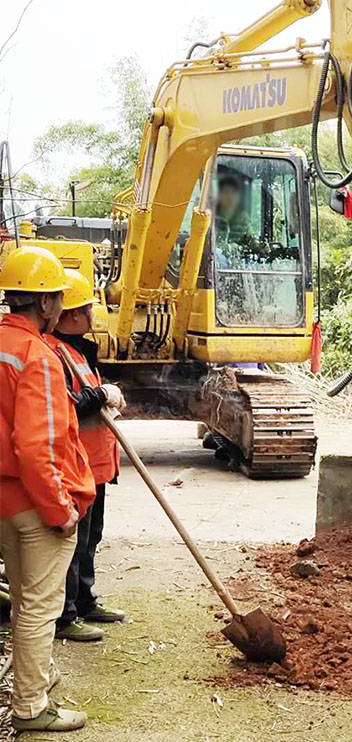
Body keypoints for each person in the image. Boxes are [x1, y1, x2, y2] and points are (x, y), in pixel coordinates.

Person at [0, 246, 96, 732]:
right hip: (37, 502)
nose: (61, 304)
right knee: (40, 608)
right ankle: (31, 706)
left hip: (4, 500)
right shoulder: (37, 355)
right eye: (58, 295)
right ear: (44, 304)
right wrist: (60, 509)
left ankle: (33, 678)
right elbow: (39, 445)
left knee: (23, 600)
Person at [45, 270, 127, 642]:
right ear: (72, 315)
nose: (94, 314)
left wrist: (108, 392)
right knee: (73, 545)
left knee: (91, 537)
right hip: (74, 468)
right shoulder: (52, 350)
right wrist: (103, 394)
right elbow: (68, 405)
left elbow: (90, 395)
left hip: (95, 464)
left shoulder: (78, 350)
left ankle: (85, 599)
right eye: (87, 308)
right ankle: (66, 615)